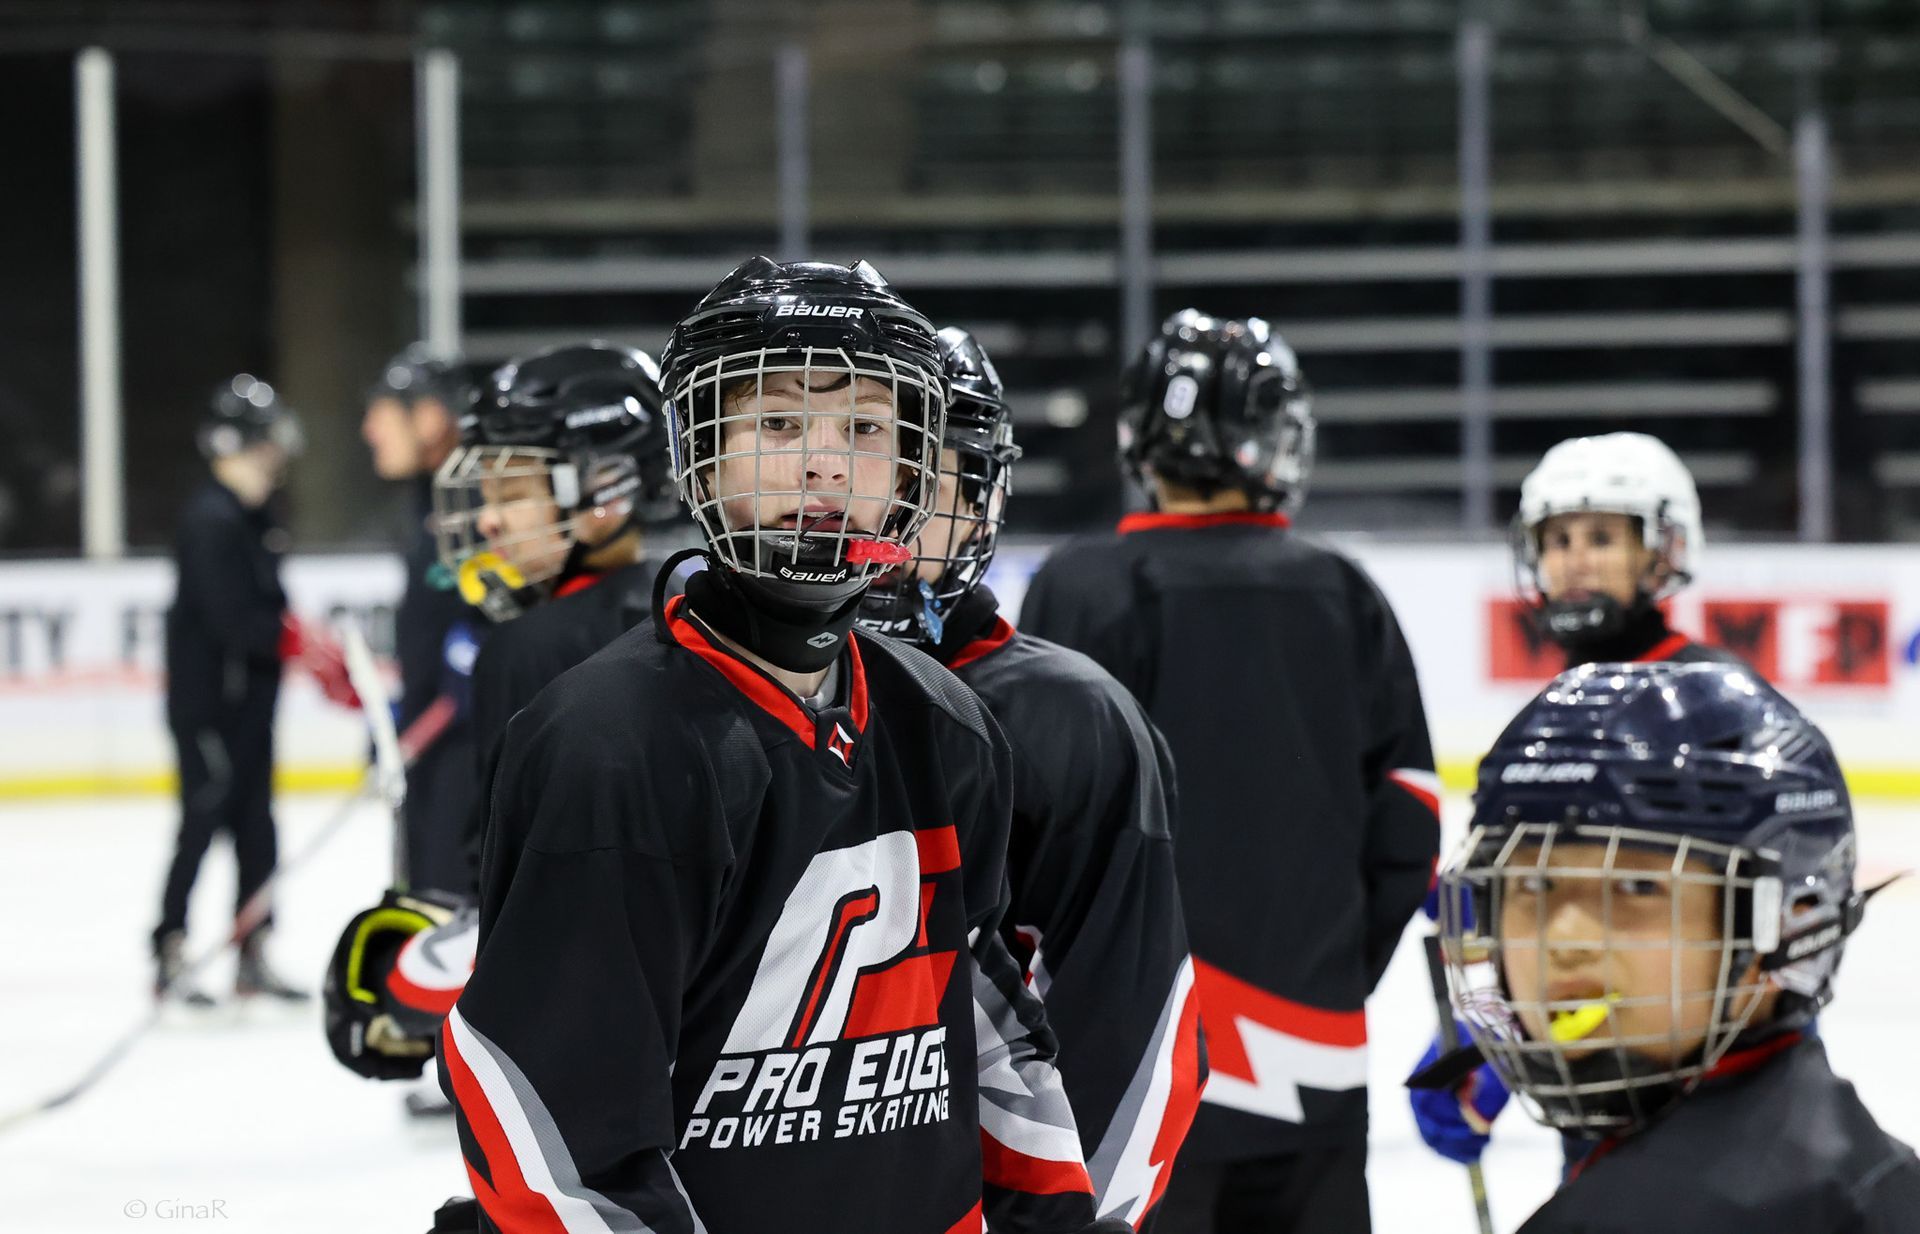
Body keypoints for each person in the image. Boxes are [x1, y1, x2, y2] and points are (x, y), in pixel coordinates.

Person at [436, 258, 1126, 1234]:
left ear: (914, 468)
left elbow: (986, 1032)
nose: (825, 464)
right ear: (700, 454)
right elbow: (548, 1120)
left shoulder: (948, 723)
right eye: (777, 424)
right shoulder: (607, 747)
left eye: (867, 430)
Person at [1020, 310, 1438, 1234]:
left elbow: (1025, 826)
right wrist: (1326, 969)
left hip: (1133, 1069)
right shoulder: (1344, 591)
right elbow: (1410, 821)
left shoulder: (1080, 585)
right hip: (1315, 1063)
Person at [856, 327, 1206, 1228]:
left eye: (914, 480)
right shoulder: (715, 711)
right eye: (853, 468)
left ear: (978, 501)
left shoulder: (1068, 722)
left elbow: (1134, 1043)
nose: (877, 513)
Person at [1424, 660, 1920, 1231]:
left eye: (1638, 886)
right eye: (1534, 884)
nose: (1563, 939)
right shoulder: (1865, 1175)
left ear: (1788, 927)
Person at [324, 341, 678, 1091]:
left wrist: (410, 987)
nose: (487, 522)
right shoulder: (691, 616)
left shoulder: (524, 651)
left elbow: (522, 908)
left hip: (564, 1075)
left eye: (512, 495)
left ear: (607, 491)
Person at [1410, 430, 1746, 1169]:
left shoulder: (1720, 705)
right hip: (1597, 1082)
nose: (1574, 560)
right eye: (1557, 538)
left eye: (1601, 536)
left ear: (1663, 549)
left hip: (1717, 1084)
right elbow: (1526, 917)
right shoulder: (1548, 719)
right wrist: (1495, 1036)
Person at [156, 375, 349, 1005]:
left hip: (250, 708)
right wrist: (295, 641)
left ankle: (252, 949)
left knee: (257, 830)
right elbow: (231, 619)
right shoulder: (210, 521)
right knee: (203, 822)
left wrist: (297, 637)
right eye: (264, 445)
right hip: (209, 711)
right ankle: (170, 947)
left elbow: (264, 606)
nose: (276, 459)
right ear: (234, 445)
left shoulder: (255, 515)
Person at [363, 346, 484, 895]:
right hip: (433, 751)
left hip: (469, 757)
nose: (369, 429)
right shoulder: (428, 500)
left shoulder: (479, 498)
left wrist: (477, 653)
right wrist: (402, 709)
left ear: (430, 417)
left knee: (447, 909)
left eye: (383, 412)